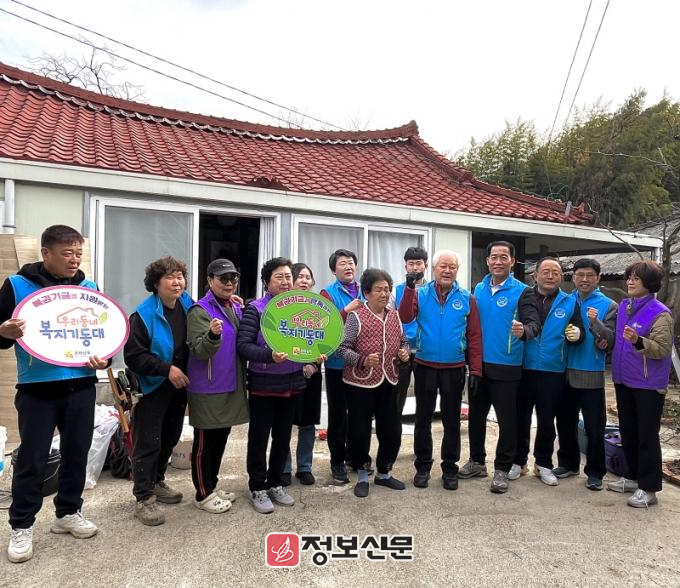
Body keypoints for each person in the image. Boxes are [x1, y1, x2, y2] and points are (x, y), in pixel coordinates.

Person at [0, 225, 107, 563]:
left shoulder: (89, 290)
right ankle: (21, 525)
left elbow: (103, 336)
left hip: (81, 385)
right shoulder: (17, 286)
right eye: (67, 253)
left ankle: (68, 512)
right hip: (37, 388)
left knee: (77, 453)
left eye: (78, 253)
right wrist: (3, 332)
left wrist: (105, 360)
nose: (74, 260)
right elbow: (1, 335)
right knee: (32, 459)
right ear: (46, 253)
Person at [460, 241, 540, 494]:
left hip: (507, 366)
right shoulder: (479, 289)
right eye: (493, 257)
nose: (498, 261)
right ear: (487, 261)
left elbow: (534, 323)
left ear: (512, 262)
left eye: (503, 257)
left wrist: (524, 331)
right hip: (478, 366)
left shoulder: (523, 292)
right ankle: (477, 462)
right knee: (476, 418)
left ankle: (503, 469)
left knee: (508, 421)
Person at [399, 250, 482, 490]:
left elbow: (474, 336)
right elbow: (405, 316)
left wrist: (475, 369)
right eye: (442, 266)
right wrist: (409, 288)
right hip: (424, 364)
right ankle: (423, 466)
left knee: (451, 420)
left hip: (454, 367)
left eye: (452, 267)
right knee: (423, 419)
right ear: (433, 269)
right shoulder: (420, 293)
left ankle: (450, 468)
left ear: (457, 270)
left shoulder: (467, 298)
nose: (447, 270)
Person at [124, 256, 193, 526]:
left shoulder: (186, 304)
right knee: (148, 441)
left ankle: (157, 481)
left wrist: (230, 302)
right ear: (156, 283)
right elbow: (134, 356)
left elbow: (206, 316)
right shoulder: (143, 315)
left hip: (179, 384)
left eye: (180, 276)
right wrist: (166, 369)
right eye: (169, 277)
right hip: (153, 386)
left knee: (170, 436)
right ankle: (143, 497)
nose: (177, 282)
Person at [237, 257, 304, 514]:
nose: (286, 281)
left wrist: (314, 355)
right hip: (263, 384)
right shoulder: (256, 309)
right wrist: (269, 356)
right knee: (259, 438)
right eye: (279, 277)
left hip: (292, 383)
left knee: (283, 438)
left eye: (288, 277)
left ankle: (275, 482)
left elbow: (308, 340)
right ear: (266, 282)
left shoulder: (300, 309)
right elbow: (243, 346)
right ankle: (257, 486)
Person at [512, 257, 584, 486]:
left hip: (553, 370)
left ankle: (543, 463)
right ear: (535, 275)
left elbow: (579, 331)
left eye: (555, 272)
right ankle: (518, 461)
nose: (550, 276)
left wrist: (577, 335)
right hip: (523, 367)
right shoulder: (524, 297)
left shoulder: (570, 302)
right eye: (546, 272)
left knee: (546, 420)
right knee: (520, 418)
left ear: (562, 277)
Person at [337, 268, 409, 497]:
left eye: (387, 289)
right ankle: (361, 474)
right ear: (366, 293)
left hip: (389, 380)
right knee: (359, 431)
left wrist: (404, 353)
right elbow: (342, 349)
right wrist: (363, 360)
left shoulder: (395, 315)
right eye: (378, 289)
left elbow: (404, 342)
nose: (384, 294)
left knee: (391, 430)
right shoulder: (356, 317)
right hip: (360, 384)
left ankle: (384, 473)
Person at [185, 259, 248, 514]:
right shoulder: (199, 310)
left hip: (230, 384)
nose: (229, 283)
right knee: (204, 444)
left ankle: (211, 485)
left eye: (233, 278)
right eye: (223, 278)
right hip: (207, 387)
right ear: (209, 280)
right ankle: (202, 494)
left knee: (220, 439)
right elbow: (199, 350)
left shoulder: (233, 306)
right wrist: (212, 334)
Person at [608, 260, 673, 508]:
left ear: (650, 283)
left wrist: (638, 340)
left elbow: (662, 349)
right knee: (629, 432)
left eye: (636, 278)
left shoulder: (660, 313)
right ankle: (632, 476)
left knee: (646, 436)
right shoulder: (625, 305)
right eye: (629, 277)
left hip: (648, 384)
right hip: (623, 379)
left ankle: (649, 488)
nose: (630, 281)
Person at [555, 258, 617, 491]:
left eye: (590, 275)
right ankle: (568, 464)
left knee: (594, 427)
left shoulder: (609, 305)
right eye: (580, 275)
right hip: (563, 371)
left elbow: (610, 339)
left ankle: (595, 472)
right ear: (573, 277)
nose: (584, 279)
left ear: (598, 278)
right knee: (565, 422)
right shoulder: (565, 301)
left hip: (591, 371)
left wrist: (595, 322)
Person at [320, 249, 364, 484]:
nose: (348, 267)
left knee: (359, 414)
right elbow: (326, 326)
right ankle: (337, 461)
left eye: (351, 263)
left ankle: (355, 457)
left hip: (361, 363)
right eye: (342, 264)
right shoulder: (327, 293)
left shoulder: (365, 289)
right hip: (337, 364)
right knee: (338, 416)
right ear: (333, 269)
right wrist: (347, 310)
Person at [282, 263, 323, 486]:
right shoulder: (281, 306)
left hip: (312, 374)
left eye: (308, 277)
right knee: (284, 422)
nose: (305, 281)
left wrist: (314, 364)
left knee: (307, 423)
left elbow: (326, 339)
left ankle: (305, 467)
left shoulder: (319, 307)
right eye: (300, 276)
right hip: (285, 373)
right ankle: (284, 467)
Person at [393, 246, 429, 433]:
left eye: (419, 263)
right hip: (402, 351)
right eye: (411, 264)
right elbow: (391, 319)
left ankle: (422, 440)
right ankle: (393, 438)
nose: (415, 268)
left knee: (424, 398)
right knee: (397, 397)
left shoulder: (433, 290)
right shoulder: (396, 290)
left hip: (425, 351)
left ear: (426, 265)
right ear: (405, 266)